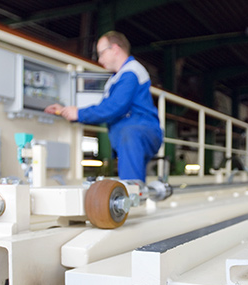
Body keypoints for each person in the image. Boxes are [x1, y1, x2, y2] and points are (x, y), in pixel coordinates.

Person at [45, 31, 163, 182]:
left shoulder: (130, 72)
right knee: (133, 174)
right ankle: (135, 193)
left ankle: (133, 197)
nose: (100, 60)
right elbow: (102, 107)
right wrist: (64, 110)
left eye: (101, 53)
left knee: (132, 178)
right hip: (133, 135)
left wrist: (79, 114)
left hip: (139, 133)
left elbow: (114, 107)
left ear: (115, 49)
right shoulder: (117, 77)